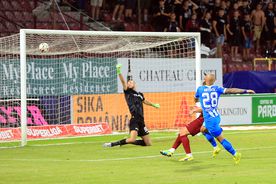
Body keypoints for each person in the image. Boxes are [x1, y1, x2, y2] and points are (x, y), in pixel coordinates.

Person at [195, 73, 255, 164]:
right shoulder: (218, 89)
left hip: (210, 120)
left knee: (221, 139)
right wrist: (245, 91)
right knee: (202, 129)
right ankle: (215, 148)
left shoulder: (200, 89)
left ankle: (235, 154)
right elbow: (231, 90)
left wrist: (197, 103)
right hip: (215, 116)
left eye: (205, 77)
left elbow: (195, 99)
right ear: (214, 81)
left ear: (205, 80)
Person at [103, 64, 160, 147]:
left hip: (141, 120)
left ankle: (127, 140)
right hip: (134, 119)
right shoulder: (128, 92)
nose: (129, 83)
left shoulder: (140, 94)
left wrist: (153, 105)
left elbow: (144, 101)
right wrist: (119, 72)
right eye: (128, 82)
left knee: (148, 143)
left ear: (134, 84)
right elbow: (123, 81)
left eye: (131, 82)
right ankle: (112, 144)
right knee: (132, 139)